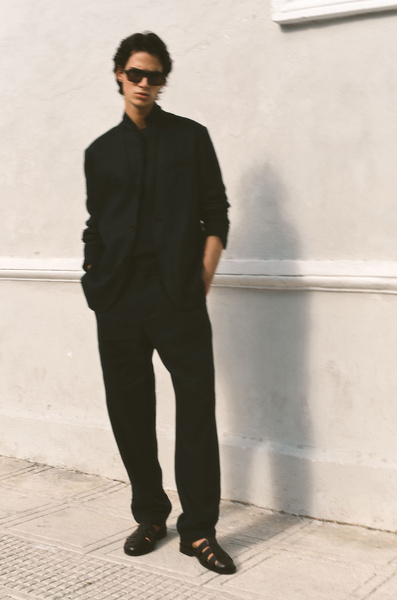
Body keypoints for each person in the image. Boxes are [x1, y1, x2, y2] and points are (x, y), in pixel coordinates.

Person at [81, 31, 235, 575]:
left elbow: (216, 212)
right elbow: (96, 225)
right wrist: (93, 276)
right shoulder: (100, 152)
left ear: (163, 80)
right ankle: (150, 514)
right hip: (118, 299)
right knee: (129, 412)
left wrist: (201, 280)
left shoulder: (191, 138)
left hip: (177, 296)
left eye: (154, 76)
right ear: (119, 75)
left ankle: (199, 531)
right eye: (135, 73)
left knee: (195, 411)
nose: (144, 84)